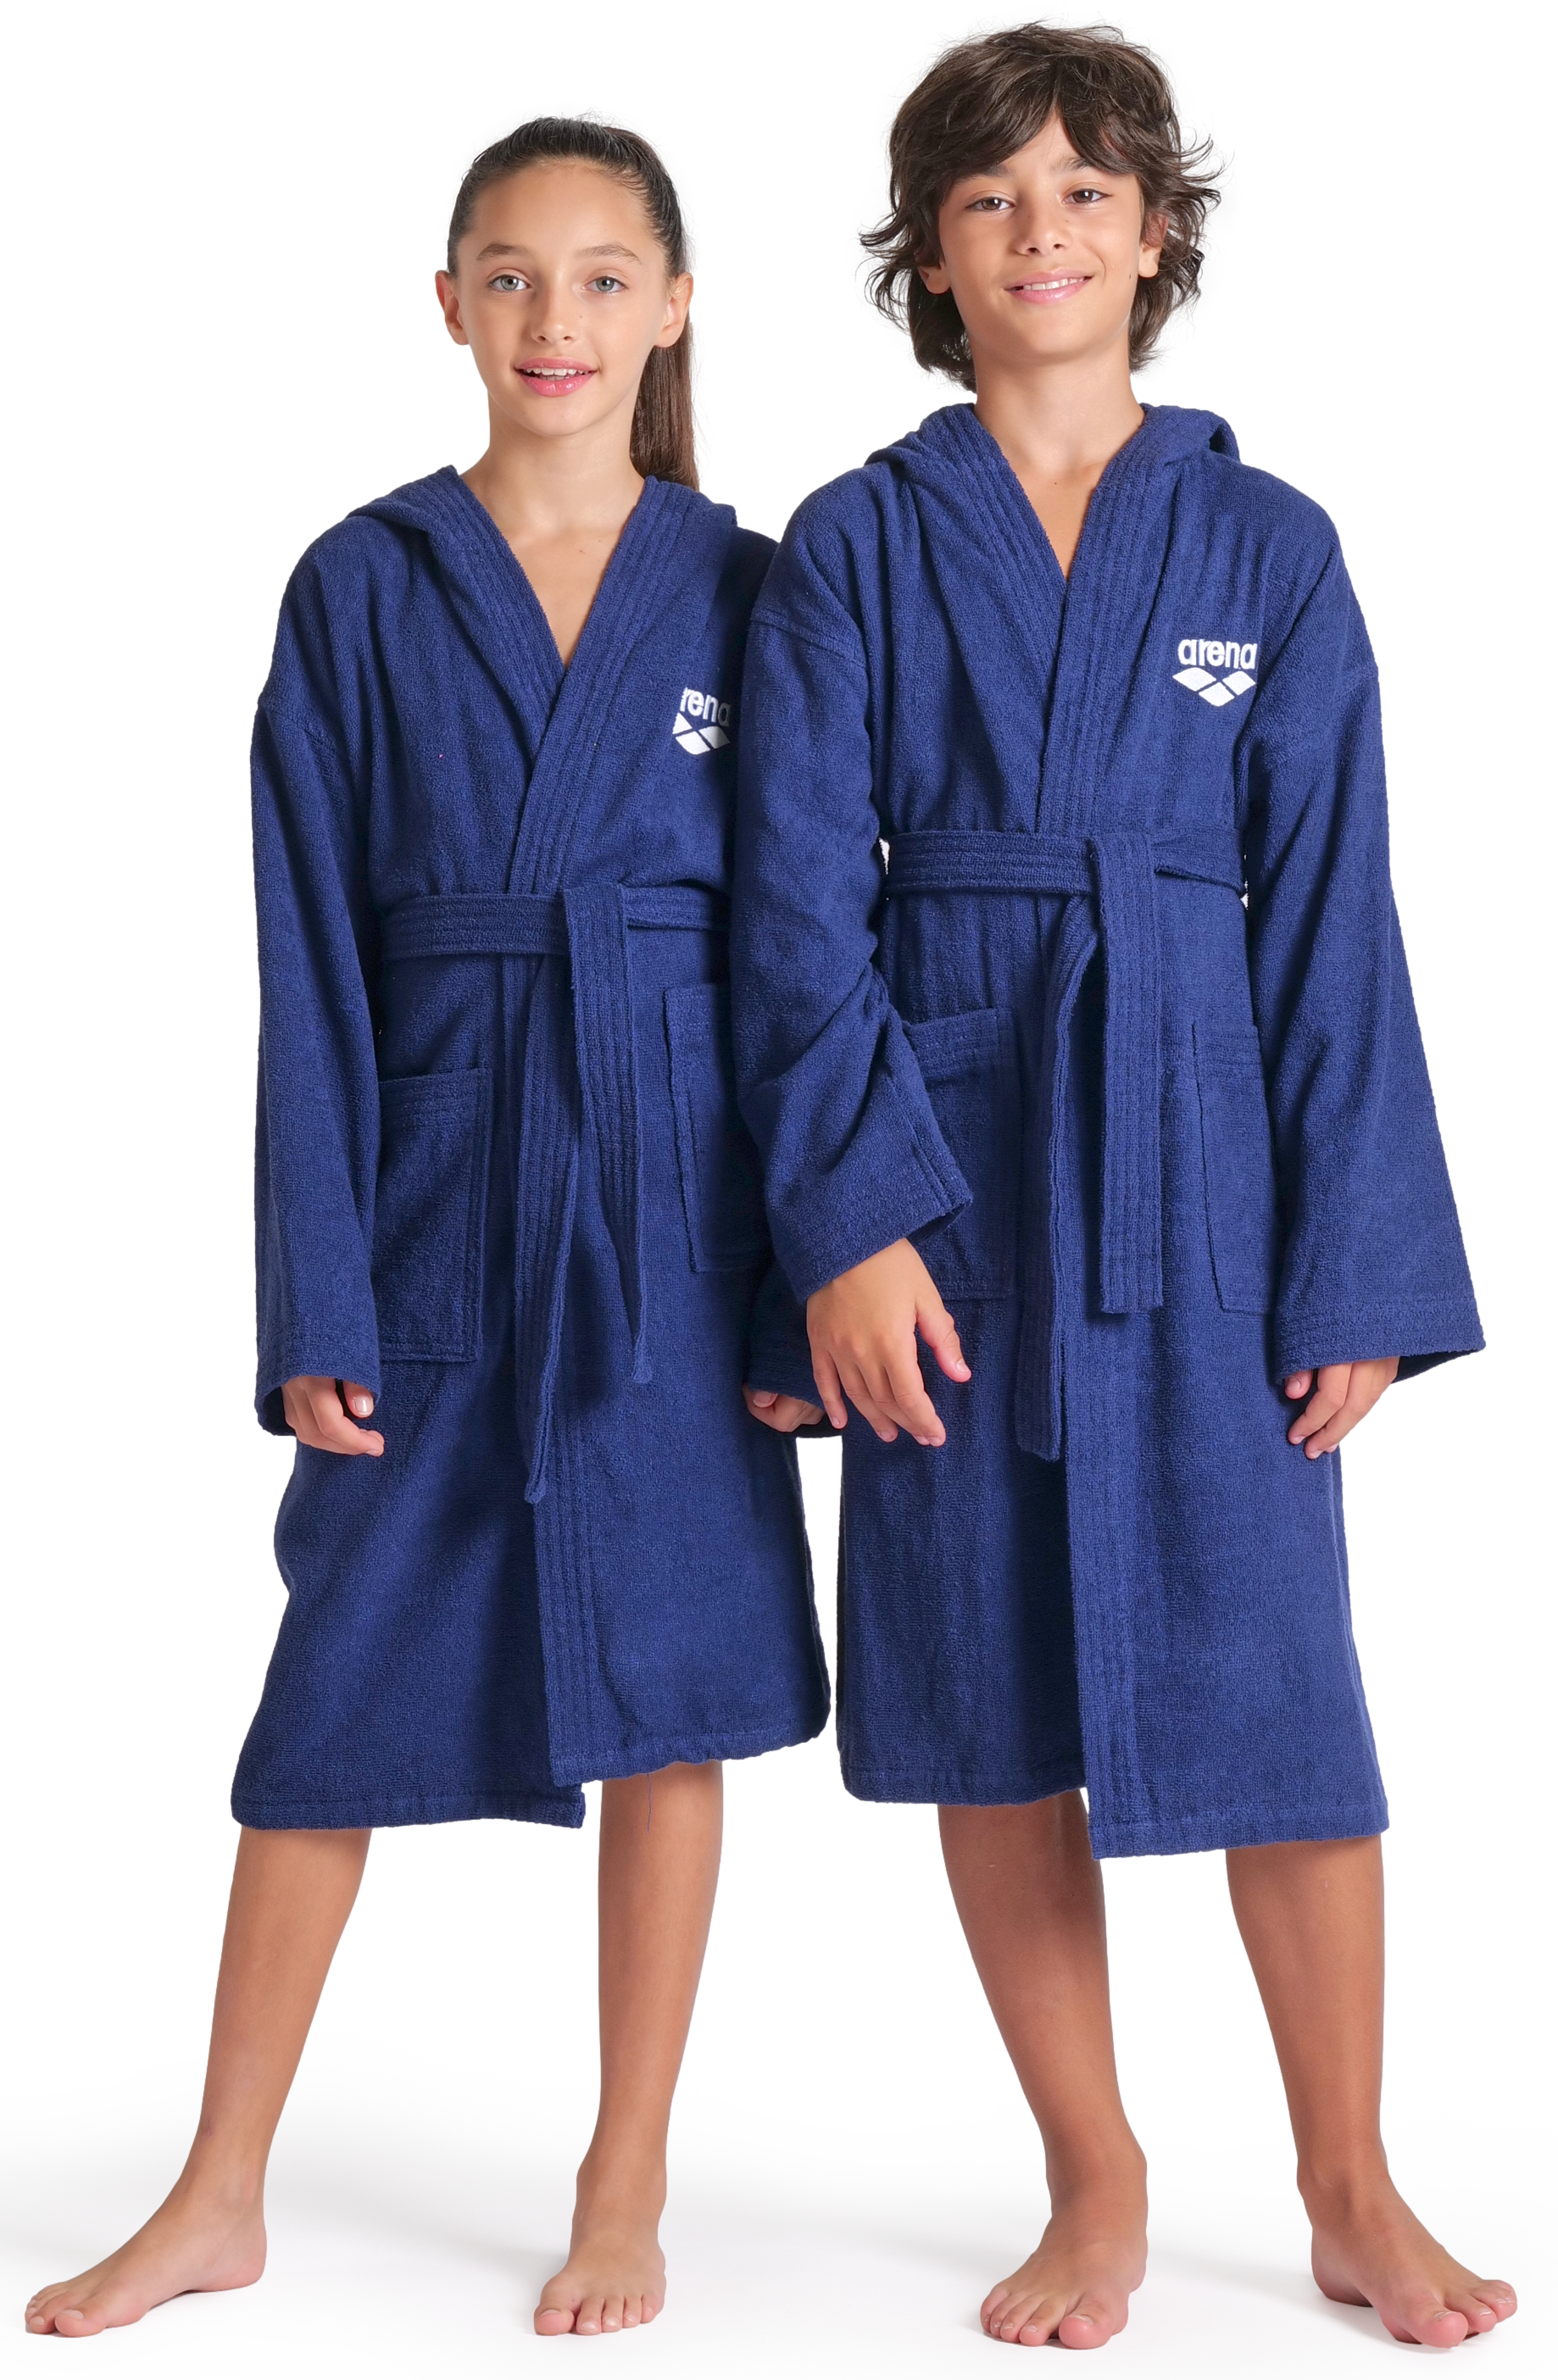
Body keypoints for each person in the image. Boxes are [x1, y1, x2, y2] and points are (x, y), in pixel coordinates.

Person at [733, 14, 1517, 2355]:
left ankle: (1353, 2190)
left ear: (1153, 234)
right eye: (988, 200)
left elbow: (1331, 923)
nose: (1040, 231)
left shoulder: (1265, 550)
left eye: (1083, 190)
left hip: (1204, 1172)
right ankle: (1091, 2189)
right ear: (930, 261)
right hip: (948, 1182)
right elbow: (793, 917)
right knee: (990, 1701)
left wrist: (1350, 1266)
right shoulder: (861, 551)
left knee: (1276, 1706)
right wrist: (847, 1228)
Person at [26, 107, 823, 2345]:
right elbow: (302, 961)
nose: (554, 318)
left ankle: (626, 2180)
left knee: (669, 1701)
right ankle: (218, 2190)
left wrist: (798, 1270)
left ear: (673, 311)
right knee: (324, 1718)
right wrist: (320, 1288)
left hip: (680, 1206)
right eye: (511, 274)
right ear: (449, 305)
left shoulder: (750, 592)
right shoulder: (361, 584)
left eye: (601, 276)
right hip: (437, 1192)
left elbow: (802, 961)